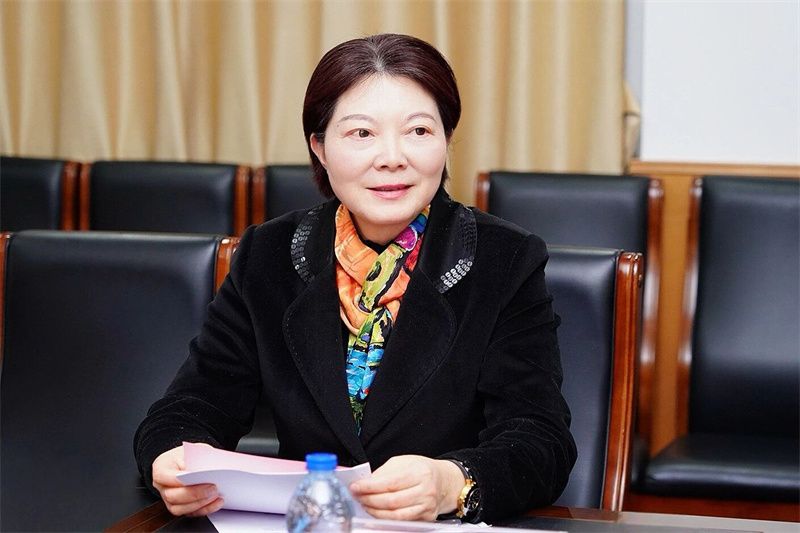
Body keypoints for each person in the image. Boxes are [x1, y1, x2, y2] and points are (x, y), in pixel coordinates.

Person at [134, 33, 576, 523]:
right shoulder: (268, 254)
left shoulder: (505, 259)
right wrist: (170, 459)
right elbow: (196, 403)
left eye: (418, 131)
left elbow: (540, 438)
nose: (392, 157)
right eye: (362, 133)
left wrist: (453, 481)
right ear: (319, 148)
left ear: (446, 140)